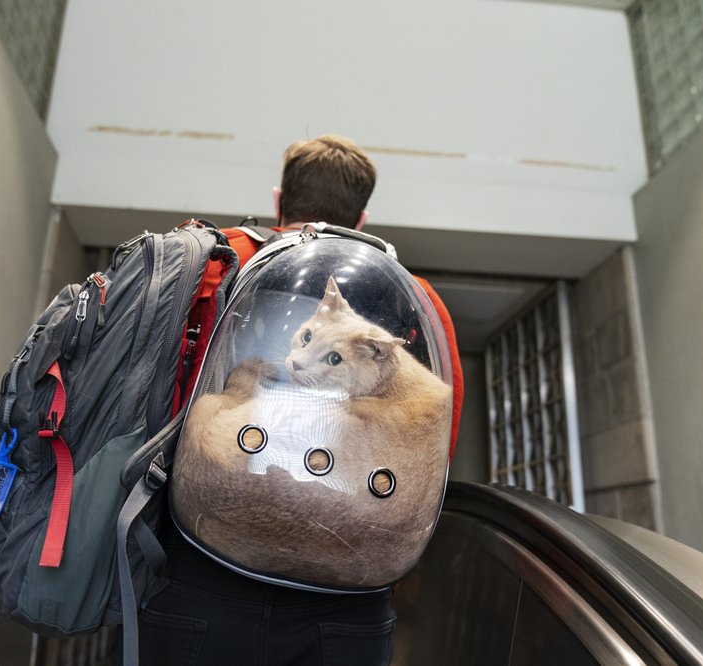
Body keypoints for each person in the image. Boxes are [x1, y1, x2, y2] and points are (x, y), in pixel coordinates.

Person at [136, 134, 465, 665]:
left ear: (277, 201)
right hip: (347, 593)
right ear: (361, 219)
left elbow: (158, 398)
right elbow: (433, 445)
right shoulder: (418, 300)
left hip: (204, 566)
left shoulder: (222, 262)